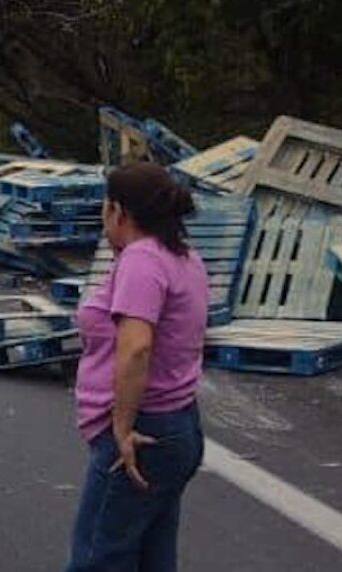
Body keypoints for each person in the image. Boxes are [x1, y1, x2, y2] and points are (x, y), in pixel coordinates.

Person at [66, 163, 207, 572]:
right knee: (152, 556)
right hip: (177, 426)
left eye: (104, 208)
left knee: (96, 558)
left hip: (143, 433)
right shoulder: (182, 256)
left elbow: (136, 349)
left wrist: (122, 430)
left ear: (119, 212)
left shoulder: (141, 262)